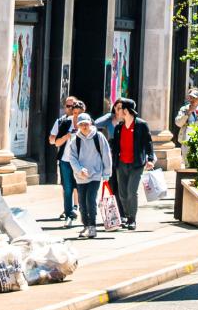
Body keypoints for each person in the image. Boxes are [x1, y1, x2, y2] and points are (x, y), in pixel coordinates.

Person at [107, 99, 154, 231]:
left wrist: (150, 158)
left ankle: (132, 219)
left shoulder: (141, 125)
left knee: (131, 192)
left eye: (120, 108)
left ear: (126, 110)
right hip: (121, 163)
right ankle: (126, 216)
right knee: (122, 193)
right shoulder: (119, 127)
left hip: (136, 164)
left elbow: (148, 143)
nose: (118, 110)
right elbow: (115, 146)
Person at [63, 112, 111, 238]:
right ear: (78, 126)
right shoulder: (75, 140)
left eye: (86, 124)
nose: (84, 126)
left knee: (90, 199)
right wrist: (79, 170)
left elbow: (106, 155)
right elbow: (72, 158)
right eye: (81, 124)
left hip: (95, 174)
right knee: (82, 203)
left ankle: (92, 227)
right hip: (81, 177)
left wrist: (106, 174)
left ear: (90, 123)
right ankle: (86, 226)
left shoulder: (99, 137)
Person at [48, 95, 83, 222]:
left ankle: (77, 208)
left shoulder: (85, 122)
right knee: (67, 187)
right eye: (69, 106)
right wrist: (66, 136)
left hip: (80, 161)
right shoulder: (63, 122)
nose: (72, 109)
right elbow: (54, 141)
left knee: (79, 186)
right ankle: (69, 212)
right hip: (65, 160)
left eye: (74, 106)